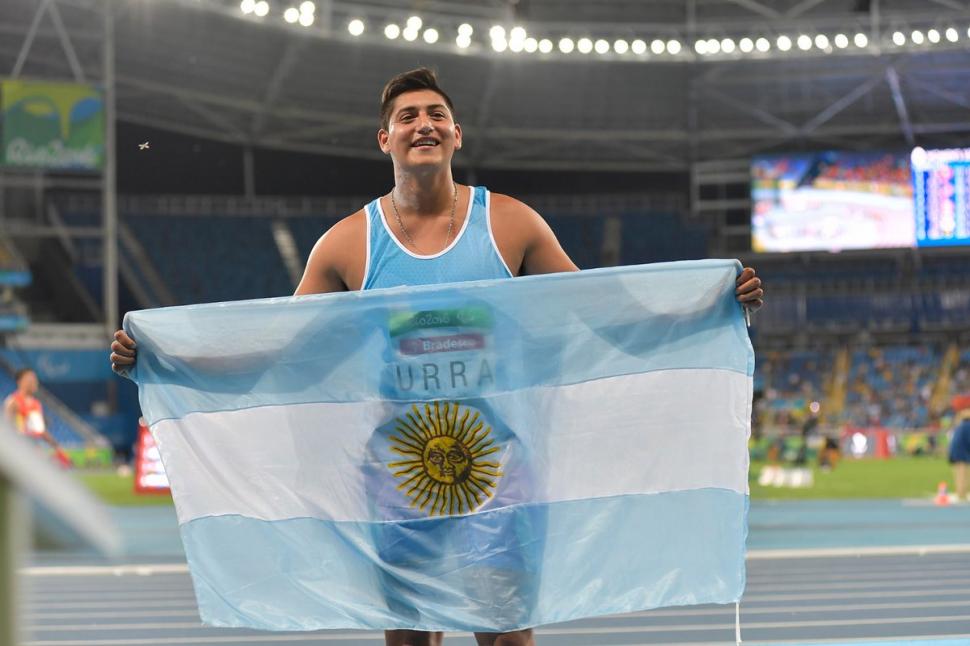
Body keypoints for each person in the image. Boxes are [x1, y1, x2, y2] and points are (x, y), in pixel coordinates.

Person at [111, 67, 765, 646]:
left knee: (505, 631)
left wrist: (706, 308)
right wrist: (165, 358)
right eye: (407, 117)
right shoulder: (347, 244)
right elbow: (276, 348)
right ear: (385, 139)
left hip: (498, 464)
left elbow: (601, 312)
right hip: (397, 470)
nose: (422, 123)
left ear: (456, 135)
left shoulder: (510, 224)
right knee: (410, 634)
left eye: (435, 115)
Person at [3, 367, 72, 467]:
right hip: (17, 449)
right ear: (20, 382)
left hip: (32, 447)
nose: (35, 382)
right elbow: (6, 429)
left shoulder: (35, 404)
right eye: (30, 379)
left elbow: (40, 430)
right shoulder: (13, 402)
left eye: (35, 379)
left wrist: (58, 448)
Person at [949, 395, 970, 502]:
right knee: (962, 472)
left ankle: (962, 493)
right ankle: (961, 493)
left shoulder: (961, 424)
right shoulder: (965, 425)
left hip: (959, 450)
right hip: (961, 451)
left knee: (961, 472)